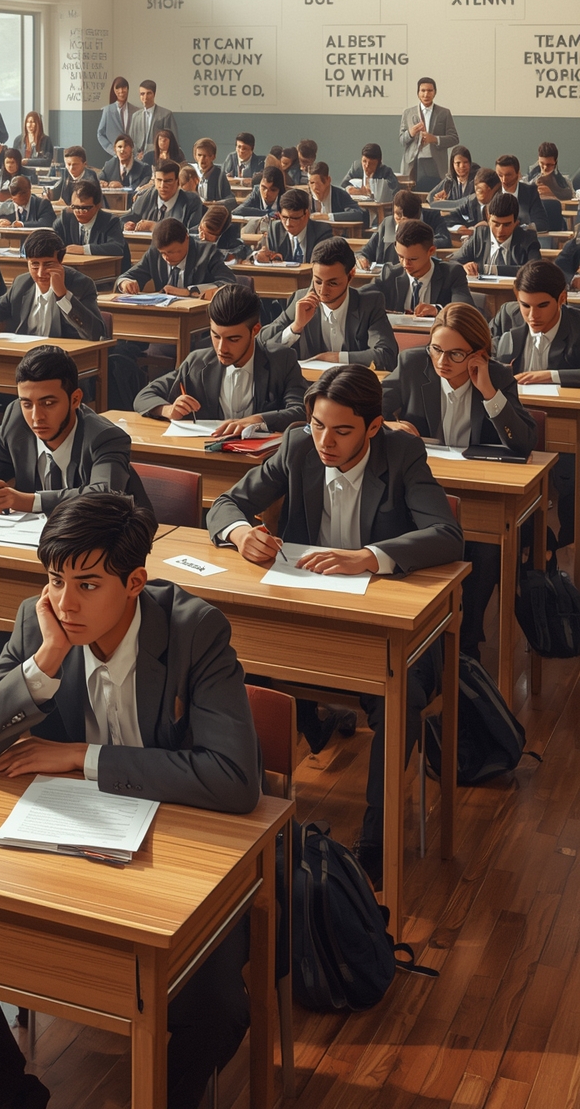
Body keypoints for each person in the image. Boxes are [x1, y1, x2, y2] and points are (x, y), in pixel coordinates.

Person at [0, 491, 260, 1109]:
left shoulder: (195, 630)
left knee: (213, 1006)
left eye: (87, 584)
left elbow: (232, 778)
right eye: (56, 580)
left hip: (182, 855)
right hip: (66, 849)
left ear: (135, 582)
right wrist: (45, 661)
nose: (66, 602)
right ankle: (9, 1093)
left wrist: (79, 757)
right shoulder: (39, 623)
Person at [206, 364, 462, 885]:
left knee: (401, 693)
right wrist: (237, 533)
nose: (326, 440)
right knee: (228, 663)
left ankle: (375, 837)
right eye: (319, 424)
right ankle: (239, 826)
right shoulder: (298, 445)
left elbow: (446, 534)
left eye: (342, 430)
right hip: (304, 616)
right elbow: (228, 502)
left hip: (385, 625)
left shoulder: (403, 453)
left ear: (373, 427)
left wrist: (369, 556)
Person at [382, 303, 535, 658]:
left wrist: (489, 393)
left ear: (478, 353)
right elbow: (364, 410)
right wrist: (390, 425)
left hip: (477, 485)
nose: (442, 361)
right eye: (436, 349)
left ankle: (467, 640)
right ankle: (422, 632)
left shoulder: (496, 376)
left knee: (484, 547)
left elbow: (524, 441)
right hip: (421, 484)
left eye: (455, 353)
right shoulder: (412, 364)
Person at [0, 347, 150, 513]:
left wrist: (26, 501)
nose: (36, 417)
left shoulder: (105, 437)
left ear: (75, 399)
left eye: (48, 403)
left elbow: (105, 497)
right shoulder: (16, 420)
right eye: (27, 404)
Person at [134, 284, 306, 437]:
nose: (221, 348)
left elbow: (301, 410)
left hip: (265, 462)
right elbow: (144, 397)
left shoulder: (282, 360)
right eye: (215, 336)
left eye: (233, 339)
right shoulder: (197, 363)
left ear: (255, 330)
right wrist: (168, 410)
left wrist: (258, 419)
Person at [494, 259, 580, 544]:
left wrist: (551, 375)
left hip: (566, 419)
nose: (531, 315)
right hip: (513, 417)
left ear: (562, 298)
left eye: (542, 306)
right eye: (525, 305)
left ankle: (567, 542)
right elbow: (482, 352)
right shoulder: (507, 315)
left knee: (569, 476)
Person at [259, 236, 398, 369]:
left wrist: (336, 358)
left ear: (351, 275)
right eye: (317, 281)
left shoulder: (369, 304)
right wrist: (295, 327)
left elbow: (387, 356)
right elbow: (261, 344)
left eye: (332, 283)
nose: (322, 290)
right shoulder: (300, 299)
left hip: (354, 387)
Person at [0, 230, 105, 340]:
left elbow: (96, 333)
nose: (40, 273)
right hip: (24, 358)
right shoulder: (22, 284)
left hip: (63, 362)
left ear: (60, 262)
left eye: (48, 264)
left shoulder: (81, 284)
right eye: (34, 264)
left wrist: (63, 295)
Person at [366, 219, 474, 314]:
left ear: (431, 251)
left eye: (412, 259)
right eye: (401, 257)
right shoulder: (390, 273)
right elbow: (360, 296)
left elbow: (464, 310)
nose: (405, 264)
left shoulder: (452, 274)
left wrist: (437, 310)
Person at [116, 216, 232, 298]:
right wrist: (125, 283)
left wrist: (188, 291)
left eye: (172, 252)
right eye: (163, 253)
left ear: (186, 239)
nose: (166, 257)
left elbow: (229, 283)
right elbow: (126, 276)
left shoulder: (207, 252)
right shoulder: (154, 253)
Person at [449, 192, 542, 276]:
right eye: (496, 224)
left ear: (516, 223)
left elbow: (535, 271)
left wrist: (492, 270)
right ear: (488, 220)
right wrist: (464, 267)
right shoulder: (480, 235)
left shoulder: (528, 239)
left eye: (506, 225)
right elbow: (452, 261)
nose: (500, 231)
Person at [398, 77, 459, 188]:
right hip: (414, 163)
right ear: (418, 93)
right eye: (423, 91)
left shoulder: (444, 113)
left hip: (436, 163)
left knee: (435, 195)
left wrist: (435, 139)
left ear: (434, 93)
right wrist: (410, 133)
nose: (426, 94)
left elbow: (454, 138)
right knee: (412, 197)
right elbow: (402, 140)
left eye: (430, 91)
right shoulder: (408, 113)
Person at [53, 179, 128, 266]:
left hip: (101, 270)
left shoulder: (110, 221)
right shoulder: (65, 218)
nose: (79, 212)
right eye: (75, 207)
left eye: (85, 208)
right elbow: (51, 242)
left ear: (97, 206)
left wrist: (84, 249)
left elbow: (117, 248)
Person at [252, 187, 332, 263]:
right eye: (284, 217)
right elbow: (260, 252)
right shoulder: (275, 229)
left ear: (306, 214)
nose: (288, 224)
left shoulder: (322, 232)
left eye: (294, 218)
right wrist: (258, 256)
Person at [121, 160, 201, 232]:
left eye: (168, 181)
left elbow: (194, 232)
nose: (162, 186)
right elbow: (124, 219)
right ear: (154, 180)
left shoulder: (192, 202)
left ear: (178, 181)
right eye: (159, 180)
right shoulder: (145, 197)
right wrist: (127, 224)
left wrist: (156, 227)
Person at [356, 189, 425, 270]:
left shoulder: (426, 226)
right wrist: (361, 258)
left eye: (408, 219)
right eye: (398, 215)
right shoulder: (387, 224)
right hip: (386, 277)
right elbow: (365, 252)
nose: (402, 221)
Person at [494, 153, 550, 231]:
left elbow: (542, 223)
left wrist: (521, 229)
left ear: (518, 173)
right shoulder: (493, 192)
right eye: (500, 175)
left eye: (508, 175)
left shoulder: (530, 192)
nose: (504, 180)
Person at [450, 166, 502, 234]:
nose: (477, 193)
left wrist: (487, 225)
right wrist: (458, 227)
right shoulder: (471, 201)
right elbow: (452, 214)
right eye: (476, 189)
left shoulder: (502, 203)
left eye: (481, 190)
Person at [133, 78, 177, 158]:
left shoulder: (166, 115)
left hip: (159, 159)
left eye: (148, 93)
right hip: (139, 160)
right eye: (142, 94)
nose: (145, 97)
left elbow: (173, 142)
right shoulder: (135, 116)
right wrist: (136, 155)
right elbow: (131, 140)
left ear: (154, 94)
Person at [96, 75, 140, 156]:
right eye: (117, 88)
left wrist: (137, 151)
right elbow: (100, 134)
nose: (121, 91)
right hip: (115, 156)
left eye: (124, 87)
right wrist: (112, 150)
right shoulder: (108, 110)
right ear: (114, 90)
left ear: (127, 89)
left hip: (133, 155)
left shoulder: (136, 111)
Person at [192, 137, 235, 209]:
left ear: (213, 157)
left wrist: (215, 203)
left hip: (213, 211)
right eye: (199, 155)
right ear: (195, 156)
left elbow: (231, 200)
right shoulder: (191, 172)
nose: (202, 159)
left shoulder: (220, 175)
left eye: (205, 156)